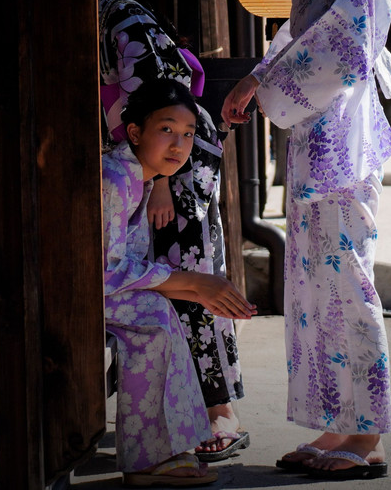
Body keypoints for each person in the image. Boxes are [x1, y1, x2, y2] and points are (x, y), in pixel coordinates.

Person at [221, 0, 391, 481]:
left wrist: (267, 86)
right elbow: (299, 43)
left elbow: (339, 55)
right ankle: (341, 425)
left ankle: (368, 433)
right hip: (318, 149)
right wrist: (255, 79)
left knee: (347, 281)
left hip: (341, 153)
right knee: (319, 290)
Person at [98, 0, 251, 462]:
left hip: (170, 159)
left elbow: (163, 96)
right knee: (191, 281)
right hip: (166, 153)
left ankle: (215, 410)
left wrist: (160, 176)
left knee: (195, 280)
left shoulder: (121, 17)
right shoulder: (123, 11)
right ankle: (199, 415)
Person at [102, 78, 257, 486]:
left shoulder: (141, 177)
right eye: (166, 129)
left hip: (100, 288)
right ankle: (148, 459)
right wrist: (192, 283)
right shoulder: (115, 179)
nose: (179, 145)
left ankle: (166, 449)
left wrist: (198, 288)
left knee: (165, 310)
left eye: (188, 134)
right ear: (135, 131)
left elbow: (123, 266)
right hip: (80, 291)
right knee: (154, 318)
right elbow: (104, 271)